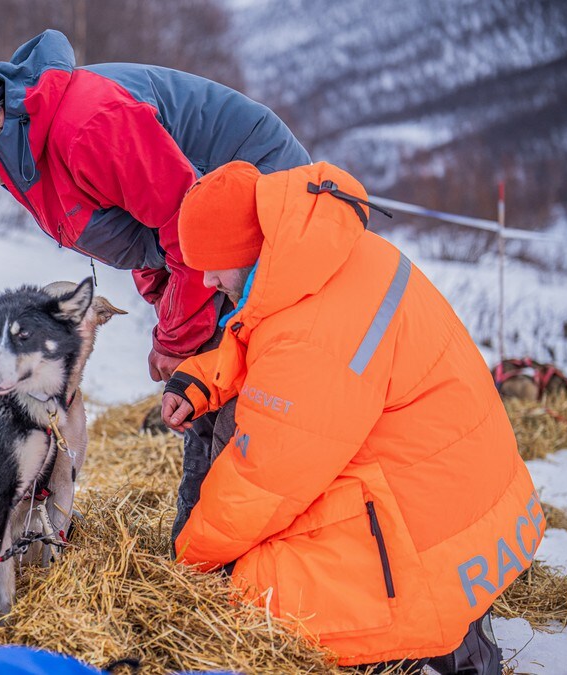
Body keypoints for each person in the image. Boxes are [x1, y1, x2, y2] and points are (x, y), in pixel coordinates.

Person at [0, 29, 311, 539]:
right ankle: (199, 547)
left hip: (260, 206)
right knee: (202, 381)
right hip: (201, 238)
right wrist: (167, 308)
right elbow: (142, 230)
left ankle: (236, 555)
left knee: (241, 394)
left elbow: (186, 224)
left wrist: (175, 338)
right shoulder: (25, 148)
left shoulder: (88, 126)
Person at [162, 161, 544, 673]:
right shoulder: (325, 252)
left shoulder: (312, 335)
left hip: (426, 542)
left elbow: (263, 481)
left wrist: (187, 568)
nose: (206, 279)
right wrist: (205, 378)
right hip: (471, 502)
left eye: (214, 263)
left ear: (246, 249)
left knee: (248, 591)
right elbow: (265, 336)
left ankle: (427, 649)